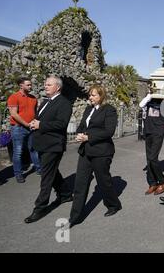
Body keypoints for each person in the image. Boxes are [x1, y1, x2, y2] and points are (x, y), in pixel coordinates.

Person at [68, 85, 122, 225]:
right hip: (86, 151)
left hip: (102, 152)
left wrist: (89, 137)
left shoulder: (109, 110)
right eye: (90, 95)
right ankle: (75, 216)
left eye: (93, 95)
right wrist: (80, 133)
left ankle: (113, 204)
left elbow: (108, 131)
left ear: (101, 96)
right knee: (80, 182)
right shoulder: (88, 109)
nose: (90, 97)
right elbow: (82, 126)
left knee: (103, 181)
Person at [24, 76, 73, 224]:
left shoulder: (64, 103)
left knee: (46, 176)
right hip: (42, 143)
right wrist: (35, 122)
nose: (45, 87)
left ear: (57, 87)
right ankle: (65, 194)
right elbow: (42, 119)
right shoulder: (45, 101)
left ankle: (40, 207)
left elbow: (61, 124)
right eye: (45, 84)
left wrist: (41, 125)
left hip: (53, 145)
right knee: (51, 171)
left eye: (49, 85)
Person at [7, 77, 42, 183]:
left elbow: (35, 113)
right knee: (18, 152)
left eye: (31, 84)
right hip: (18, 128)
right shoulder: (14, 97)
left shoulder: (33, 98)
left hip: (31, 127)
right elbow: (13, 114)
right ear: (21, 85)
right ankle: (18, 174)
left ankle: (39, 169)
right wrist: (26, 124)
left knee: (34, 149)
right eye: (28, 85)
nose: (30, 86)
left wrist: (34, 122)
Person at [139, 89, 164, 196]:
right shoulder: (148, 99)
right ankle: (152, 183)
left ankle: (162, 182)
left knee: (153, 157)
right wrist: (149, 95)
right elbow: (141, 104)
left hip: (158, 132)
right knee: (149, 159)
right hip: (148, 130)